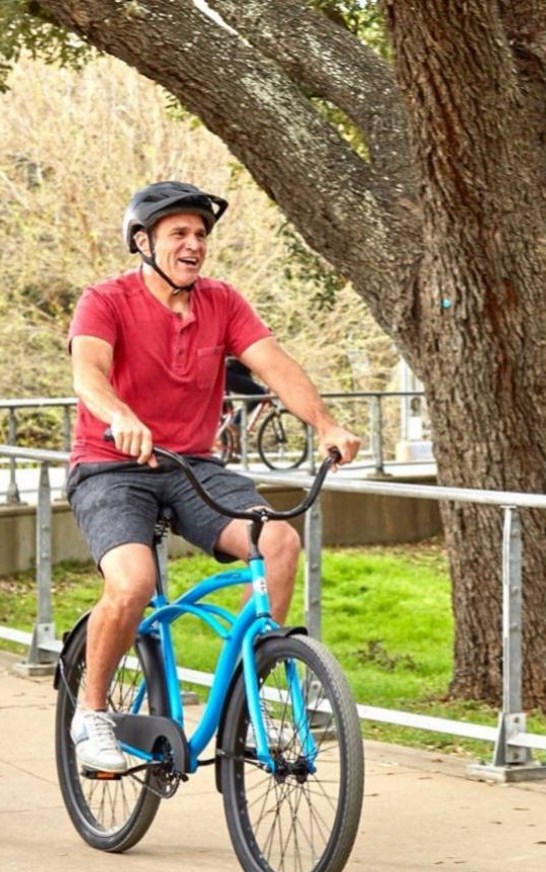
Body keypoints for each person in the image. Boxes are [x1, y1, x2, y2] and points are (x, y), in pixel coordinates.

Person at [65, 180, 361, 774]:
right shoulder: (106, 300)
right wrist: (120, 415)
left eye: (199, 235)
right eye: (179, 233)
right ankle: (91, 713)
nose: (193, 244)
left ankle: (257, 689)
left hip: (193, 466)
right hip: (112, 467)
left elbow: (274, 365)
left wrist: (326, 422)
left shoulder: (222, 302)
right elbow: (87, 372)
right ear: (144, 242)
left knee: (278, 540)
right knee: (133, 582)